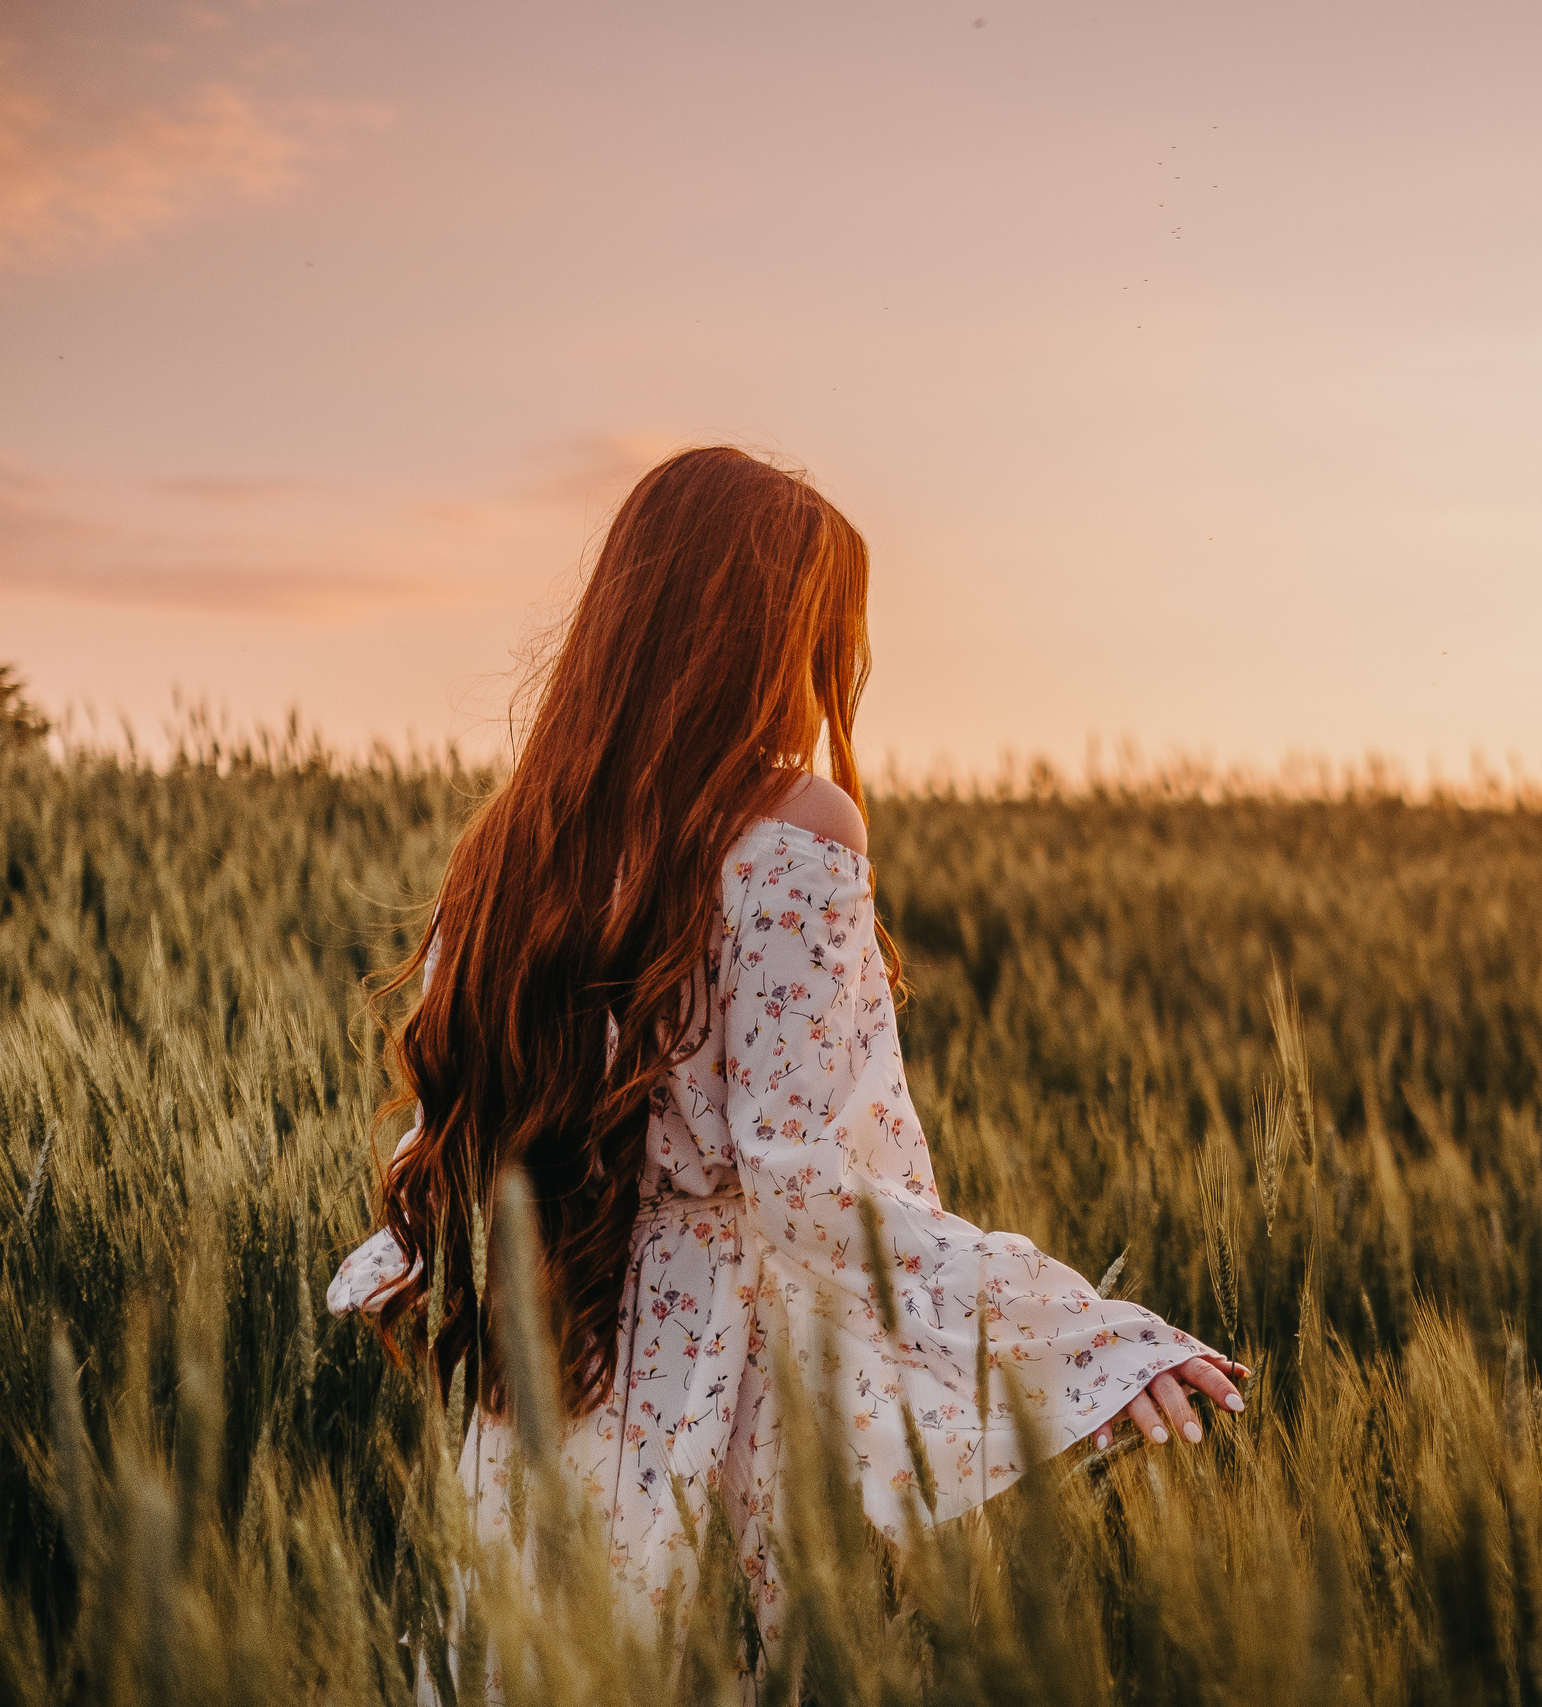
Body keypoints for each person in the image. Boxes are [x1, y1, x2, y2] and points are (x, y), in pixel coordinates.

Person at [325, 445, 1248, 1665]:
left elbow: (472, 1121)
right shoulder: (795, 826)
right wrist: (1083, 1339)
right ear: (755, 635)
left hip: (555, 1375)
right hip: (731, 1383)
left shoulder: (507, 847)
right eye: (819, 633)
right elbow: (802, 1187)